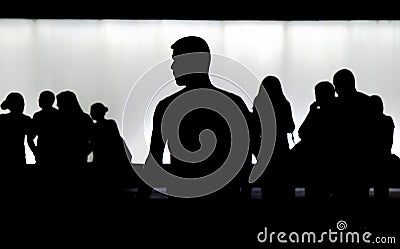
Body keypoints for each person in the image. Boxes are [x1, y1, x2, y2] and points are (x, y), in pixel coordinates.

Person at [146, 36, 252, 199]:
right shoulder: (233, 104)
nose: (172, 66)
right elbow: (245, 156)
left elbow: (154, 163)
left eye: (176, 60)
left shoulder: (167, 106)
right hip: (225, 197)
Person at [297, 81, 337, 200]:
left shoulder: (317, 113)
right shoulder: (339, 110)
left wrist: (311, 113)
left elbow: (302, 132)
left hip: (316, 162)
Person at [90, 102, 135, 194]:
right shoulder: (111, 123)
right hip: (113, 159)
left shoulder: (94, 127)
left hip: (102, 159)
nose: (90, 113)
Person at [0, 92, 34, 196]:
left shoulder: (2, 119)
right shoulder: (26, 119)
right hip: (18, 155)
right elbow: (30, 139)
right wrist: (37, 152)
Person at [30, 90, 59, 168]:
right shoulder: (59, 114)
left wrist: (35, 151)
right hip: (56, 153)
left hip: (42, 151)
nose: (38, 101)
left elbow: (30, 137)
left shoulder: (37, 116)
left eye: (40, 99)